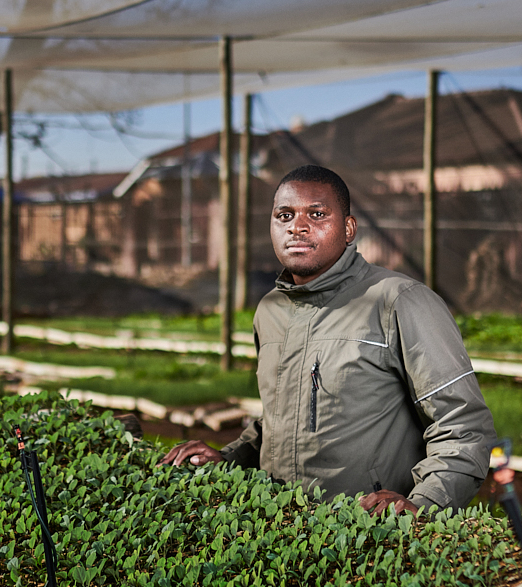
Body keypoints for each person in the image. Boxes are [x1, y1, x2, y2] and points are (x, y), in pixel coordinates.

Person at [161, 164, 494, 515]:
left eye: (317, 214)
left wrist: (421, 504)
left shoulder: (399, 300)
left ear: (348, 229)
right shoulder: (270, 311)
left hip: (367, 537)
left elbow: (463, 425)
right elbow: (280, 419)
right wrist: (228, 458)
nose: (297, 226)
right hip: (278, 531)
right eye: (284, 215)